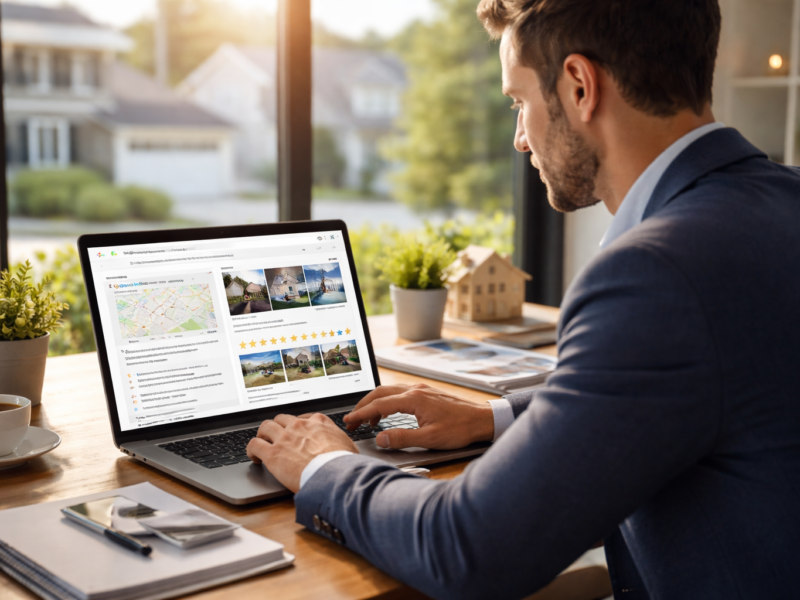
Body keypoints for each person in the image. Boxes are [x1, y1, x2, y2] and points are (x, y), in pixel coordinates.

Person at [246, 1, 800, 598]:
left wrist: (325, 466)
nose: (518, 138)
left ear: (580, 86)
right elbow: (695, 384)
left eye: (519, 102)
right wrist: (493, 417)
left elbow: (467, 549)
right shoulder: (782, 200)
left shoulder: (656, 273)